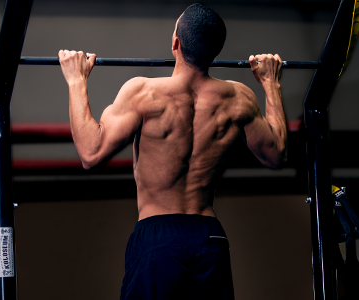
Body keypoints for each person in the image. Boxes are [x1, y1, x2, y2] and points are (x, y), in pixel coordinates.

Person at [58, 3, 287, 300]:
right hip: (210, 236)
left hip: (158, 236)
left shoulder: (143, 93)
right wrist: (271, 85)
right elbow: (277, 154)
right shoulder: (239, 98)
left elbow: (91, 153)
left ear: (176, 43)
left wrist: (76, 81)